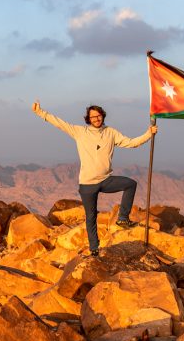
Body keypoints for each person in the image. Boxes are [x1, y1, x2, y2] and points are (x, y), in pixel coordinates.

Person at [32, 100, 156, 257]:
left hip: (105, 180)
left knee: (130, 184)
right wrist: (40, 112)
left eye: (98, 116)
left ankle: (122, 218)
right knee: (91, 217)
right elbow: (59, 123)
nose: (96, 119)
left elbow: (131, 143)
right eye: (93, 117)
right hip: (87, 184)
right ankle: (94, 248)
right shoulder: (80, 132)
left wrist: (148, 134)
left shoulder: (110, 132)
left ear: (102, 116)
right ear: (88, 119)